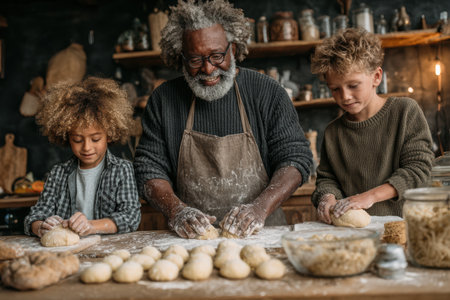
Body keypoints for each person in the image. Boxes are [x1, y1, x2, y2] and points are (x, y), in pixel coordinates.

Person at [134, 0, 312, 239]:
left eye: (217, 56)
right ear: (181, 57)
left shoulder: (267, 92)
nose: (208, 70)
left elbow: (296, 158)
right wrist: (177, 211)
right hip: (190, 239)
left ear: (234, 49)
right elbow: (148, 168)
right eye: (195, 60)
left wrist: (259, 208)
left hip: (261, 235)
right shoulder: (164, 100)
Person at [310, 28, 434, 224]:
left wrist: (369, 197)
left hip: (406, 226)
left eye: (353, 85)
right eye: (335, 89)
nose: (345, 96)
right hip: (356, 232)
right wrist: (327, 197)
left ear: (376, 77)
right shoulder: (333, 132)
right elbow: (327, 179)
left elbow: (418, 169)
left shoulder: (404, 112)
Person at [24, 77, 141, 237]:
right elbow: (34, 217)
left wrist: (91, 226)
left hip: (108, 250)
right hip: (67, 253)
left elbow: (130, 217)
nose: (86, 147)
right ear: (66, 137)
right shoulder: (58, 173)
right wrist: (41, 226)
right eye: (77, 140)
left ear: (110, 134)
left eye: (95, 139)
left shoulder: (122, 170)